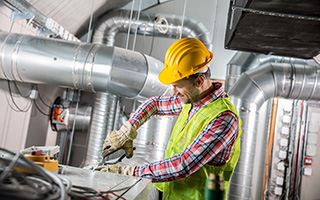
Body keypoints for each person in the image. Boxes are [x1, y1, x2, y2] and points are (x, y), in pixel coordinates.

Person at [95, 37, 242, 200]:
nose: (173, 92)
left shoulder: (223, 118)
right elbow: (154, 104)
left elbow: (183, 165)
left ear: (199, 81)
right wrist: (128, 129)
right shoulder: (194, 101)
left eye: (178, 86)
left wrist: (127, 172)